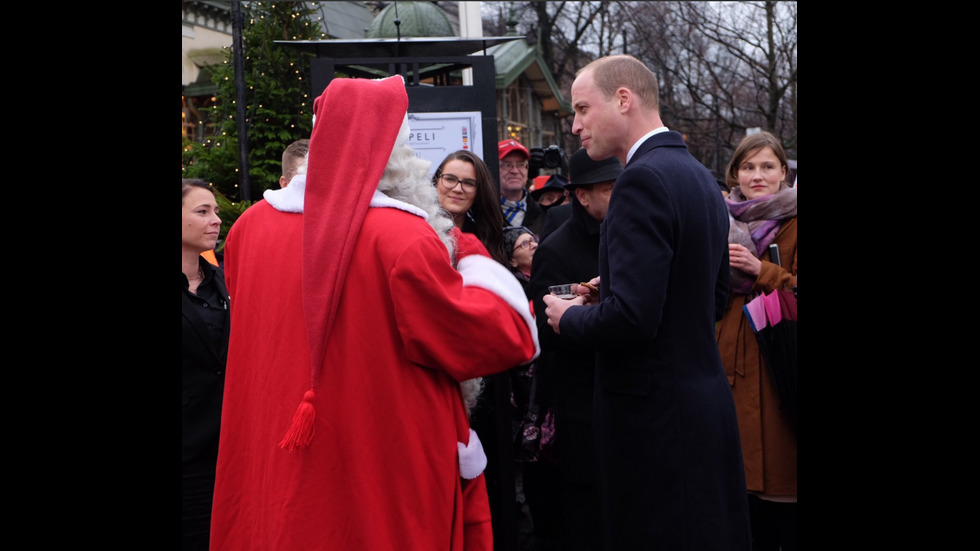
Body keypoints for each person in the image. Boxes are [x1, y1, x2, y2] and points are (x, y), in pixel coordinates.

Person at [210, 75, 540, 551]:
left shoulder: (248, 229)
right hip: (372, 474)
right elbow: (504, 335)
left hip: (275, 467)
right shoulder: (402, 238)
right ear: (395, 148)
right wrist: (464, 250)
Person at [541, 54, 752, 550]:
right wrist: (610, 290)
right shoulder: (698, 175)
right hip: (699, 408)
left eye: (582, 109)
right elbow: (711, 296)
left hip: (655, 426)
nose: (575, 126)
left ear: (623, 99)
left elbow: (635, 320)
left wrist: (571, 317)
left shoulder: (641, 180)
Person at [527, 148, 622, 551]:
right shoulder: (556, 249)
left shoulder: (630, 234)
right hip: (581, 408)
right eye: (608, 189)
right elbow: (548, 340)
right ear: (582, 196)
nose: (619, 195)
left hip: (630, 398)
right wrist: (588, 313)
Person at [716, 130, 797, 551]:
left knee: (783, 499)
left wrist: (761, 270)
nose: (757, 175)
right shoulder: (718, 219)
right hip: (728, 367)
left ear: (784, 172)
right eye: (748, 167)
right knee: (742, 510)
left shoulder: (795, 221)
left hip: (782, 369)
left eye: (767, 166)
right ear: (735, 173)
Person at [181, 178, 230, 551]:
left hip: (227, 449)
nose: (215, 220)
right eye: (202, 212)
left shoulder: (223, 282)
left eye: (215, 211)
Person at [433, 149, 508, 266]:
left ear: (479, 192)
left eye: (468, 183)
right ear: (436, 182)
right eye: (449, 179)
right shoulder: (419, 230)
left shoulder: (491, 240)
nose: (457, 189)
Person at [499, 139, 546, 235]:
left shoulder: (544, 215)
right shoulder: (483, 215)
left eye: (521, 165)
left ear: (527, 169)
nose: (515, 171)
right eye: (507, 165)